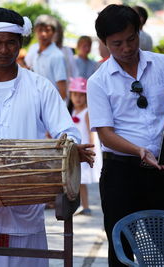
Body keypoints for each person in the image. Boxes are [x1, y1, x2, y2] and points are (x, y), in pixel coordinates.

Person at [0, 7, 94, 267]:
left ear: (20, 44)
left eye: (10, 43)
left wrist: (71, 149)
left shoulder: (40, 87)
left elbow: (67, 131)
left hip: (25, 199)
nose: (3, 49)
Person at [87, 4, 164, 266]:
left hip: (158, 170)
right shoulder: (99, 81)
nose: (126, 48)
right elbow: (106, 135)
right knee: (121, 250)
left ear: (139, 32)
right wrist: (138, 150)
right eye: (117, 44)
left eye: (131, 39)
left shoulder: (161, 63)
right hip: (119, 173)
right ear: (104, 44)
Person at [69, 77, 100, 216]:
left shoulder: (87, 112)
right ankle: (79, 205)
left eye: (82, 95)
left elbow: (91, 132)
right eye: (75, 94)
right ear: (71, 95)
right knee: (75, 178)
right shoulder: (72, 112)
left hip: (85, 149)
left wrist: (92, 148)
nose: (78, 98)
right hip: (75, 149)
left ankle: (85, 206)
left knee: (82, 179)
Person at [24, 15, 67, 100]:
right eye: (40, 30)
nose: (43, 34)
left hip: (51, 105)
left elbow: (63, 91)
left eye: (47, 30)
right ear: (35, 31)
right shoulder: (35, 51)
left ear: (54, 33)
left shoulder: (57, 55)